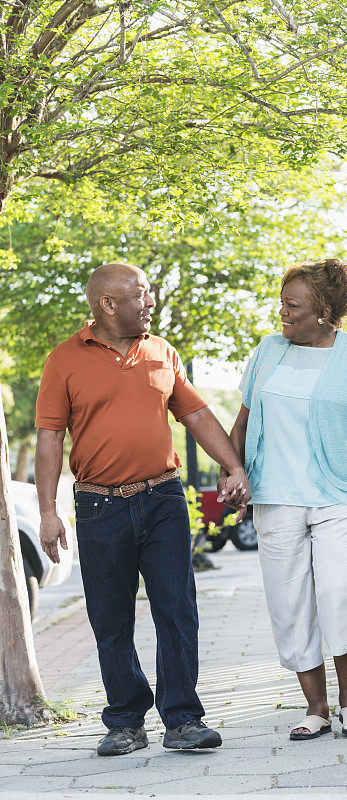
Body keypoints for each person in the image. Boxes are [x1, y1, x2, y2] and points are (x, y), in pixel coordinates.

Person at [35, 262, 249, 756]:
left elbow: (195, 413)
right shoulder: (63, 360)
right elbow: (49, 437)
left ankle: (183, 718)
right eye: (141, 294)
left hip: (163, 499)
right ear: (108, 304)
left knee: (177, 609)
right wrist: (48, 511)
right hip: (98, 506)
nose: (149, 301)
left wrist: (233, 466)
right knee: (110, 618)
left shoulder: (162, 352)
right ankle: (127, 720)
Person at [223, 258, 347, 740]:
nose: (283, 314)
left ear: (324, 310)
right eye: (283, 304)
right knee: (288, 600)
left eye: (293, 306)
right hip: (277, 495)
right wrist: (234, 471)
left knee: (338, 590)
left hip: (340, 495)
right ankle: (316, 707)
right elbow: (244, 421)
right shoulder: (268, 351)